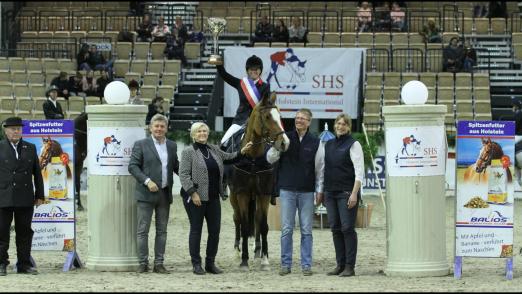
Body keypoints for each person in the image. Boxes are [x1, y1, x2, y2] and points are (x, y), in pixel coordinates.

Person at [179, 122, 253, 275]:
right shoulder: (188, 152)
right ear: (193, 134)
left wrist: (242, 151)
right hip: (196, 197)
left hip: (213, 197)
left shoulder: (214, 149)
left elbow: (229, 158)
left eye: (205, 131)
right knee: (196, 230)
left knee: (215, 231)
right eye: (199, 131)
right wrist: (193, 193)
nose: (202, 133)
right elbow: (184, 174)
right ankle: (196, 264)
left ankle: (210, 263)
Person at [266, 108, 324, 276]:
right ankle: (286, 264)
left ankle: (306, 265)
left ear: (309, 121)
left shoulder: (316, 142)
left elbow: (320, 169)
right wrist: (277, 148)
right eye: (297, 118)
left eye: (303, 118)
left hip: (307, 191)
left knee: (306, 230)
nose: (299, 120)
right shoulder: (285, 138)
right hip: (287, 190)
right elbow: (270, 158)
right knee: (286, 230)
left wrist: (319, 190)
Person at [128, 113, 180, 274]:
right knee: (143, 230)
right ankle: (143, 263)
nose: (159, 129)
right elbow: (133, 167)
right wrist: (147, 181)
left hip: (165, 194)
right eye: (156, 126)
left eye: (162, 126)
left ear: (166, 128)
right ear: (150, 128)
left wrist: (191, 178)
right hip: (145, 194)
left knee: (162, 231)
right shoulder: (141, 144)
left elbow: (176, 167)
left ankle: (159, 263)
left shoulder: (172, 145)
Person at [317, 113, 364, 277]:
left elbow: (359, 173)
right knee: (335, 228)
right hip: (330, 192)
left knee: (347, 228)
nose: (340, 126)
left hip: (346, 193)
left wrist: (354, 194)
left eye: (344, 124)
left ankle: (350, 266)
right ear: (334, 125)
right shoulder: (328, 144)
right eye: (338, 123)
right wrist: (321, 191)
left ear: (349, 127)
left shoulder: (354, 144)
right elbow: (323, 170)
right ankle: (340, 264)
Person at [0, 116, 44, 276]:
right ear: (5, 130)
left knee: (24, 232)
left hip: (25, 197)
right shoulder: (0, 147)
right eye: (12, 129)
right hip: (3, 196)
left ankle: (24, 264)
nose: (16, 131)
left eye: (18, 128)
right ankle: (1, 264)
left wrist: (40, 195)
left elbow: (37, 174)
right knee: (1, 232)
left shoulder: (30, 147)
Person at [215, 55, 270, 146]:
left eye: (256, 69)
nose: (254, 71)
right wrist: (218, 64)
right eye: (251, 69)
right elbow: (225, 75)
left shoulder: (265, 86)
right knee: (224, 142)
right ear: (247, 71)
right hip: (240, 121)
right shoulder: (241, 84)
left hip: (258, 122)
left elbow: (266, 106)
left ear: (260, 71)